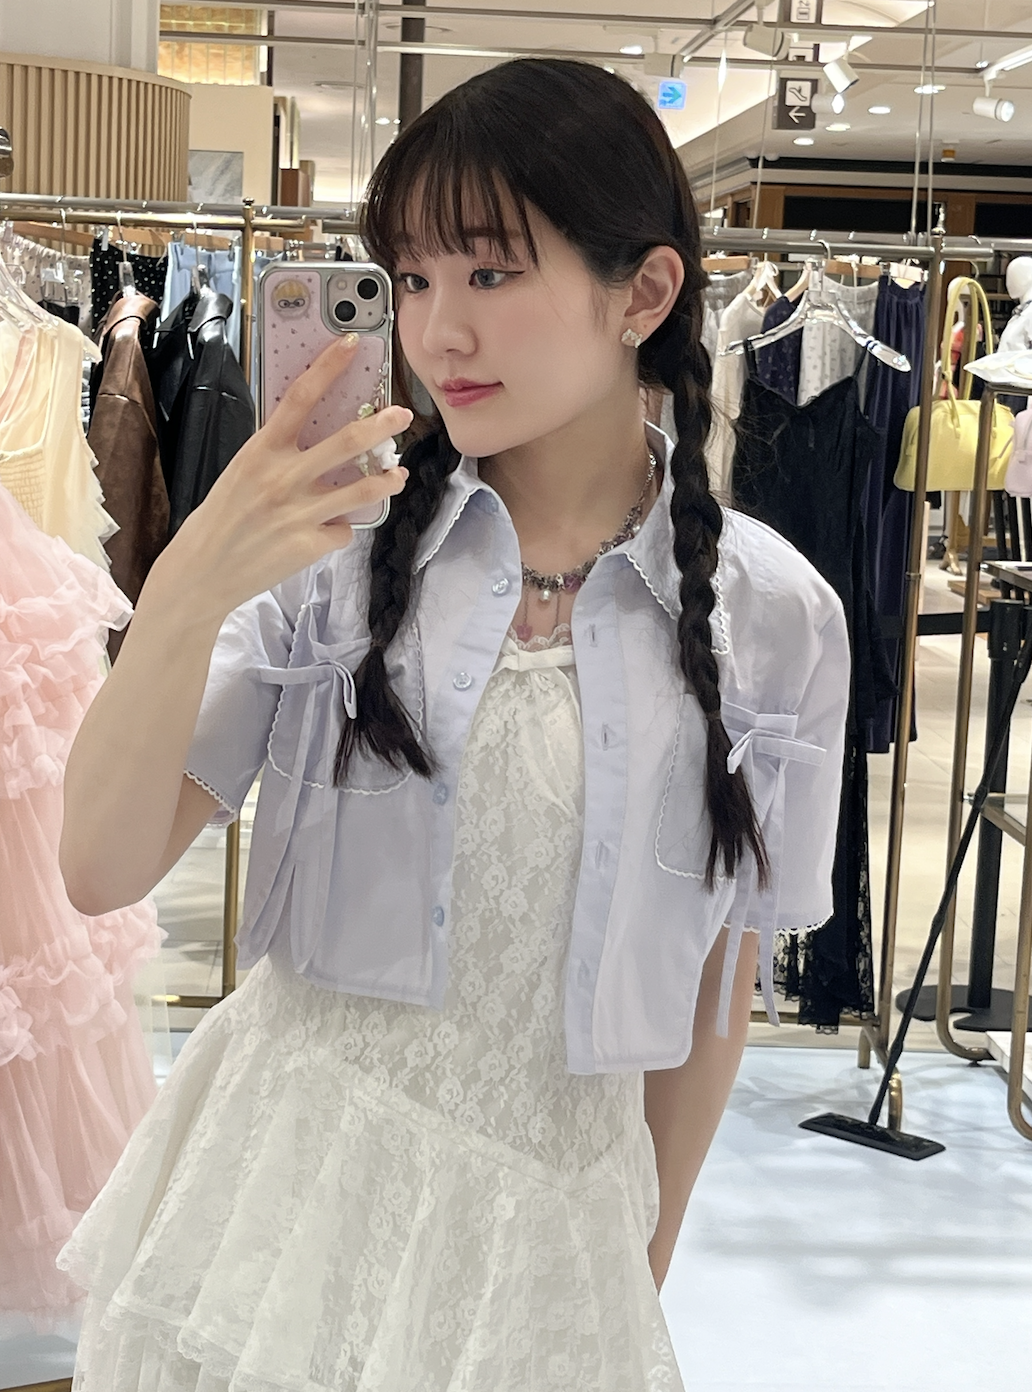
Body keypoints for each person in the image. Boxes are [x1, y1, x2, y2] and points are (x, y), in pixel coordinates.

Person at [56, 58, 849, 1392]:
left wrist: (634, 1265)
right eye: (412, 278)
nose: (437, 333)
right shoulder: (334, 554)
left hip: (551, 1235)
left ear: (644, 293)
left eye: (489, 272)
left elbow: (719, 984)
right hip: (273, 1214)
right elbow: (99, 865)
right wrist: (191, 577)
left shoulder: (775, 618)